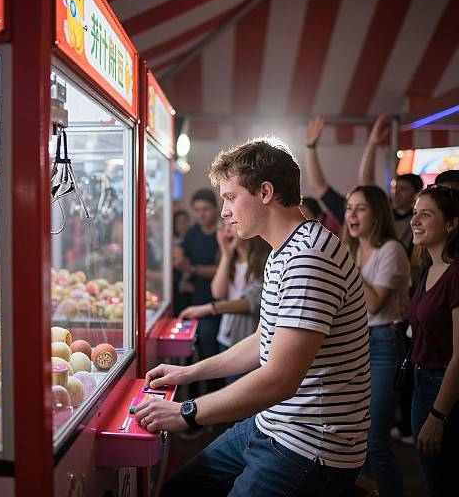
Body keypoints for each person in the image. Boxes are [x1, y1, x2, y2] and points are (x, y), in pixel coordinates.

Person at [135, 138, 371, 496]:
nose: (224, 212)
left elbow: (279, 380)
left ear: (265, 192)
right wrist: (189, 372)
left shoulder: (309, 258)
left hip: (310, 447)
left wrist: (187, 411)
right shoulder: (282, 251)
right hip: (276, 425)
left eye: (230, 197)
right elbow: (262, 340)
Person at [342, 185, 410, 497]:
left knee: (374, 437)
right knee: (355, 435)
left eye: (361, 208)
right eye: (348, 208)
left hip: (384, 344)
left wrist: (349, 265)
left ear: (377, 213)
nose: (351, 215)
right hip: (356, 343)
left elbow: (374, 304)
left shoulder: (390, 250)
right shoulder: (351, 248)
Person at [305, 115, 424, 255]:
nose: (352, 213)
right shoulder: (356, 239)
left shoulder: (408, 223)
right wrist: (310, 147)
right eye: (394, 187)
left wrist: (372, 144)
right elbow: (319, 185)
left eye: (361, 208)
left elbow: (366, 181)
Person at [408, 185, 459, 497]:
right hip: (420, 381)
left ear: (451, 224)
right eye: (415, 213)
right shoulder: (427, 267)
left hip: (445, 390)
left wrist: (438, 415)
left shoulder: (456, 274)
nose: (415, 220)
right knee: (433, 478)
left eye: (425, 214)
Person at [179, 223, 270, 384]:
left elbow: (251, 303)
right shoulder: (229, 258)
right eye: (224, 227)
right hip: (226, 336)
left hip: (248, 340)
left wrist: (209, 308)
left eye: (232, 225)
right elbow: (218, 292)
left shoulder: (264, 259)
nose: (227, 231)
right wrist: (226, 255)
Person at [173, 189, 221, 390]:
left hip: (217, 304)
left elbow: (222, 271)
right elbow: (181, 261)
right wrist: (179, 262)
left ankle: (214, 400)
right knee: (193, 353)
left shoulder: (222, 234)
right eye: (197, 210)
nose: (201, 214)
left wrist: (192, 268)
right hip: (193, 301)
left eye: (206, 209)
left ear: (216, 209)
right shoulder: (192, 234)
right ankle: (192, 401)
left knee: (212, 355)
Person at [173, 209, 192, 316]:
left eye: (185, 221)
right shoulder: (171, 243)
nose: (182, 225)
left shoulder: (192, 239)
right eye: (179, 222)